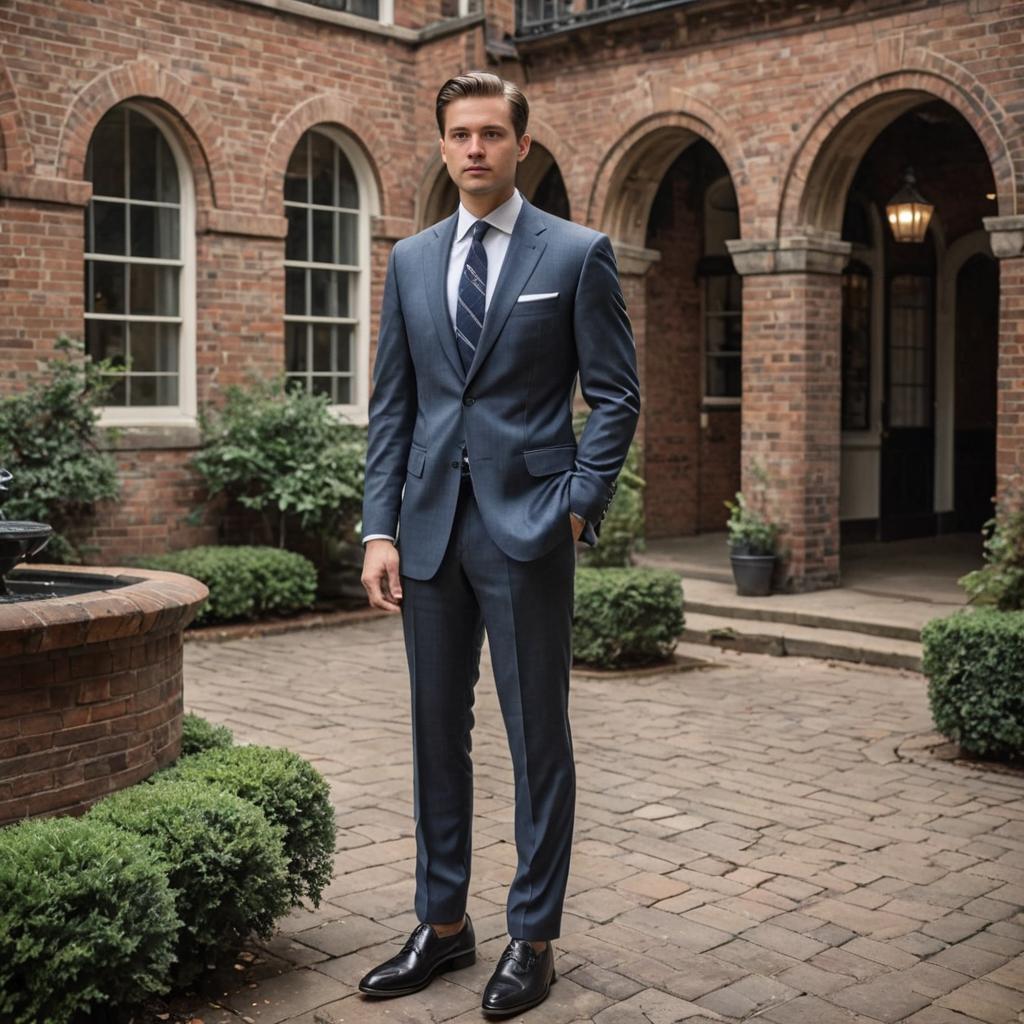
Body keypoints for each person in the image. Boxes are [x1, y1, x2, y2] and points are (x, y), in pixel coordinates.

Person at [358, 70, 640, 1017]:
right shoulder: (409, 261)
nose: (474, 148)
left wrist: (577, 500)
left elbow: (616, 396)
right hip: (429, 532)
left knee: (537, 741)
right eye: (458, 134)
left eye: (490, 133)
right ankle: (443, 926)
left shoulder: (576, 252)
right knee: (438, 736)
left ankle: (532, 935)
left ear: (521, 145)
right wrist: (378, 529)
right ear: (441, 146)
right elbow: (392, 408)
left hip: (529, 530)